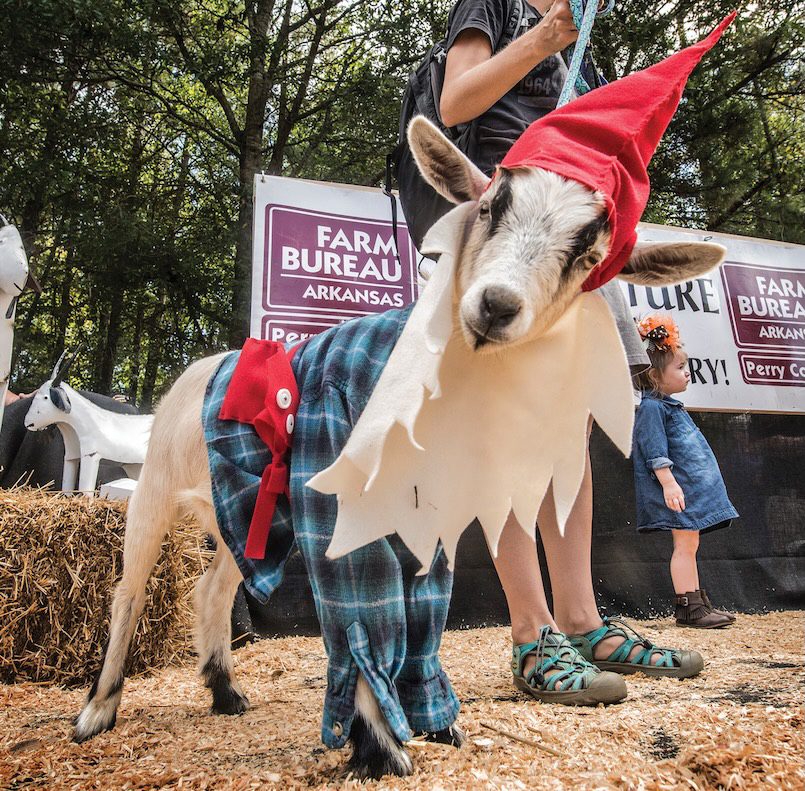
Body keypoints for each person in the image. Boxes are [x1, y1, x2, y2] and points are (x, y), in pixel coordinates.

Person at [437, 0, 705, 704]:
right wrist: (537, 41)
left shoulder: (577, 37)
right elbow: (455, 98)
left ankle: (581, 621)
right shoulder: (496, 7)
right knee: (503, 431)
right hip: (509, 230)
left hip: (575, 239)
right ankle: (533, 634)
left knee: (569, 437)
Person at [632, 315, 737, 628]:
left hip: (688, 492)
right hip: (679, 493)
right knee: (684, 546)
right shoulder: (651, 409)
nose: (687, 372)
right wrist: (669, 484)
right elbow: (654, 452)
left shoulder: (667, 406)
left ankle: (696, 601)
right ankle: (689, 607)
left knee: (690, 545)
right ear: (654, 374)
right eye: (679, 367)